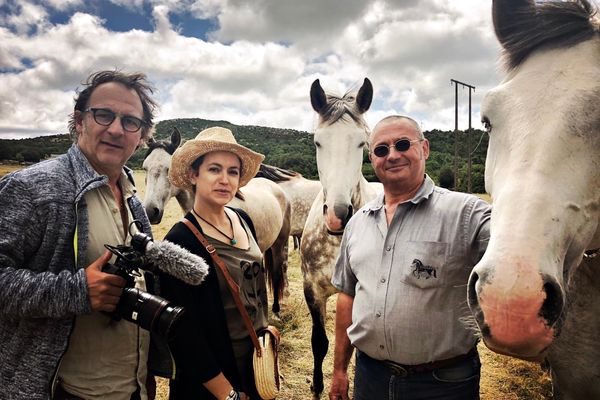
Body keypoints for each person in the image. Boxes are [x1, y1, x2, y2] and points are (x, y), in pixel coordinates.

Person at [0, 70, 158, 399]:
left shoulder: (132, 197)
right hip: (63, 390)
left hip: (134, 388)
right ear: (79, 121)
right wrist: (76, 290)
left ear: (142, 136)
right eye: (104, 115)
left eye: (130, 121)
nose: (116, 129)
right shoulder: (33, 189)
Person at [329, 115, 491, 400]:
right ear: (372, 158)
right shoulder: (357, 224)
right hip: (370, 378)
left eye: (402, 144)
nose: (392, 155)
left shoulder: (467, 214)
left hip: (442, 385)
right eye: (381, 149)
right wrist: (340, 370)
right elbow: (348, 297)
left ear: (425, 148)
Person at [161, 126, 268, 400]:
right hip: (214, 381)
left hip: (256, 365)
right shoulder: (181, 239)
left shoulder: (242, 220)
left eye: (233, 171)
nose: (225, 179)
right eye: (214, 169)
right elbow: (183, 333)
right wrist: (227, 394)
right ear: (194, 175)